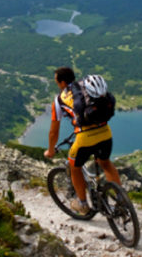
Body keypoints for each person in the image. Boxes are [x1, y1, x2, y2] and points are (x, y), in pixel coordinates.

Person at [44, 67, 121, 214]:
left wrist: (50, 149)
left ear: (62, 82)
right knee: (105, 163)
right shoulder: (86, 88)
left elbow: (54, 131)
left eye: (56, 81)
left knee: (75, 168)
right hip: (105, 132)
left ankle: (82, 204)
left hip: (85, 138)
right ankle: (121, 200)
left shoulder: (59, 99)